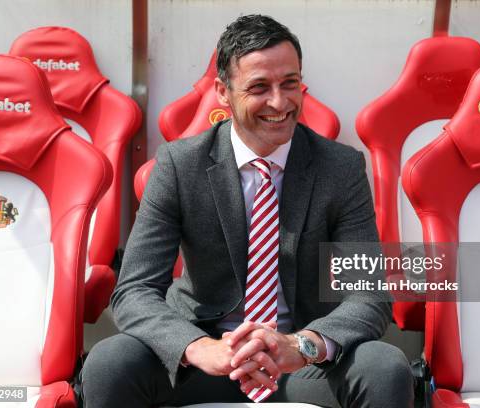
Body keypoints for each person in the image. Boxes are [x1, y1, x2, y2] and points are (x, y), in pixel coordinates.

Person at [82, 14, 413, 408]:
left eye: (290, 83)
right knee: (110, 361)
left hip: (300, 365)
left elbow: (369, 296)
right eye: (259, 87)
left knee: (385, 366)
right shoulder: (178, 165)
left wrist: (301, 345)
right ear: (223, 92)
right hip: (202, 362)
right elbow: (135, 290)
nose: (279, 102)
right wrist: (198, 347)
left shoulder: (340, 168)